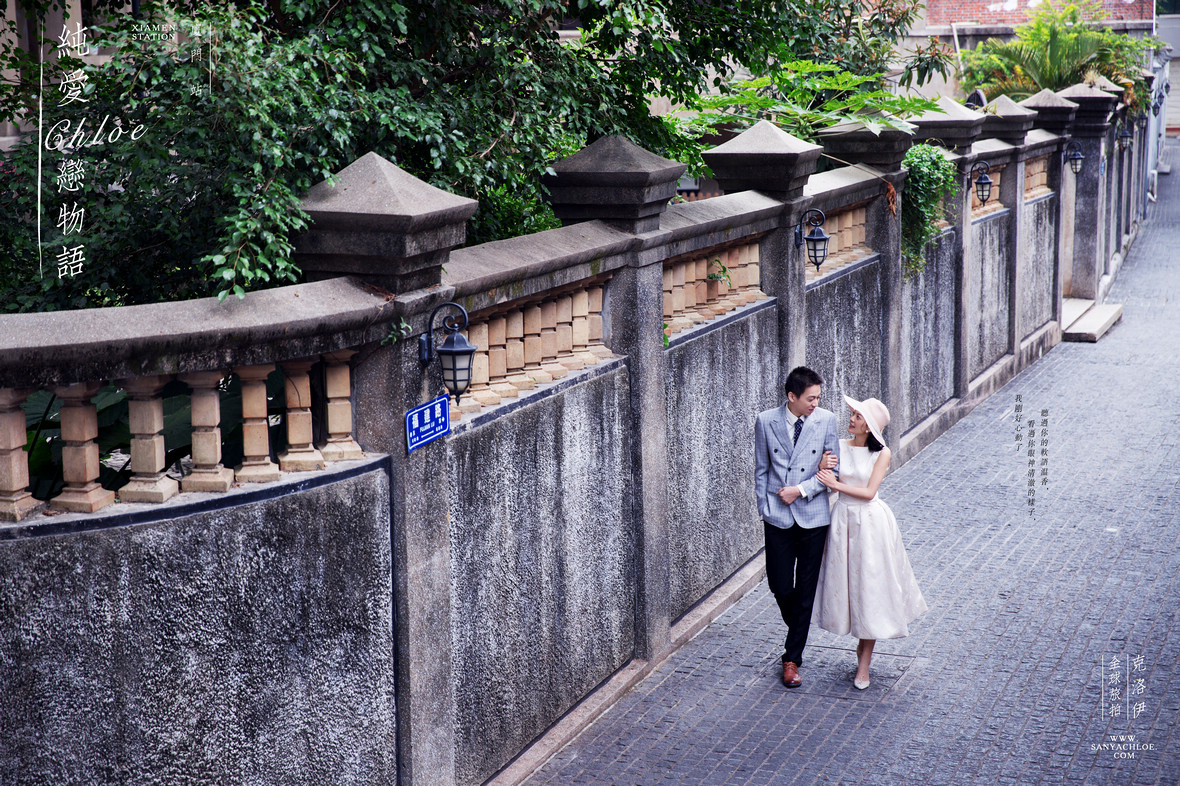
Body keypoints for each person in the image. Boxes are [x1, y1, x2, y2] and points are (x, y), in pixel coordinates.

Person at [813, 395, 928, 690]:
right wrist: (822, 466)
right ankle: (858, 643)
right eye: (853, 414)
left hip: (871, 523)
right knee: (849, 585)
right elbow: (823, 477)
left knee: (871, 588)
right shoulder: (838, 446)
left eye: (858, 416)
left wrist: (835, 484)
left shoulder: (882, 453)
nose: (851, 419)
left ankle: (864, 663)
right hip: (843, 521)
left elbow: (868, 492)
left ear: (870, 426)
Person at [754, 366, 840, 688]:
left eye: (818, 397)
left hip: (812, 516)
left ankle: (792, 659)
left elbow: (834, 472)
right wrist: (765, 507)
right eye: (810, 398)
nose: (816, 403)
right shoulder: (766, 421)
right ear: (792, 396)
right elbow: (761, 469)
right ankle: (800, 624)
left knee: (805, 589)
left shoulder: (826, 420)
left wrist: (800, 490)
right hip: (777, 515)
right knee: (779, 584)